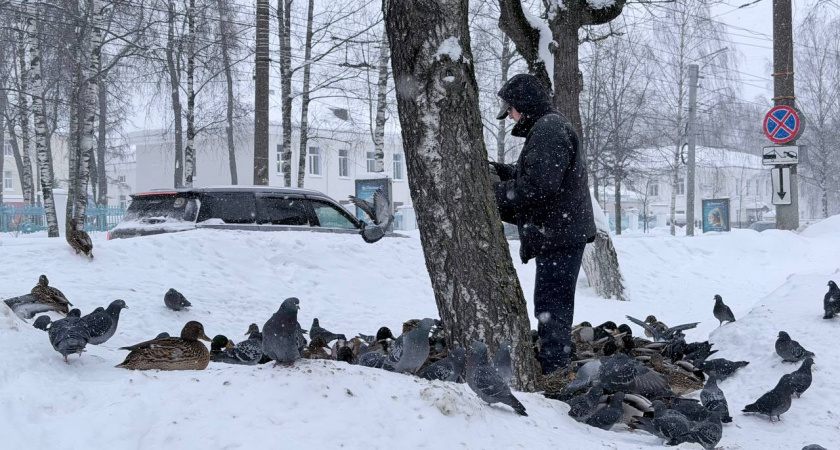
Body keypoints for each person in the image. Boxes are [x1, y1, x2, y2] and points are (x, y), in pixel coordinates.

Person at [490, 74, 596, 375]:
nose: (510, 116)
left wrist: (491, 193)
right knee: (552, 304)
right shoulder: (548, 126)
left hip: (560, 234)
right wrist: (501, 171)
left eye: (511, 110)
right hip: (560, 232)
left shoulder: (548, 129)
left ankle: (554, 369)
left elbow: (539, 185)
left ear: (524, 105)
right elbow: (535, 172)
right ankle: (555, 361)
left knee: (552, 307)